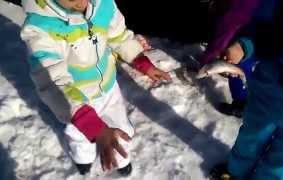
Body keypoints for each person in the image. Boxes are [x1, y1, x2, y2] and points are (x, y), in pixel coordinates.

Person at [20, 0, 170, 176]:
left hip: (107, 87)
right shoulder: (41, 28)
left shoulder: (104, 4)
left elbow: (119, 36)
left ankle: (121, 158)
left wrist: (141, 61)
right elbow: (52, 80)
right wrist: (89, 123)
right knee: (80, 134)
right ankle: (83, 158)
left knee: (120, 127)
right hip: (76, 100)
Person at [209, 0, 283, 179]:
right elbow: (262, 29)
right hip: (269, 89)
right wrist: (243, 47)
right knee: (250, 138)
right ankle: (235, 171)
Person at [198, 0, 260, 118]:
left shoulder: (235, 11)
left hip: (247, 41)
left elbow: (225, 33)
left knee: (239, 65)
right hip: (265, 36)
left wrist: (207, 60)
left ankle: (241, 104)